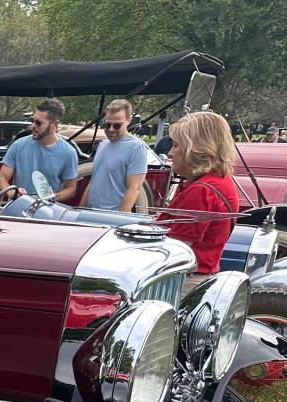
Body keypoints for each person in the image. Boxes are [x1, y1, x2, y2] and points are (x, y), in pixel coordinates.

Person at [159, 110, 239, 288]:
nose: (171, 152)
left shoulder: (202, 191)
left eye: (177, 146)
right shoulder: (219, 181)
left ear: (196, 149)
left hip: (183, 282)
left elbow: (176, 251)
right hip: (200, 276)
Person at [0, 98, 78, 201]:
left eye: (38, 123)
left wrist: (52, 198)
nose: (33, 126)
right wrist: (12, 192)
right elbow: (1, 180)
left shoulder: (69, 153)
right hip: (18, 208)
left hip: (47, 212)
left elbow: (70, 189)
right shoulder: (18, 145)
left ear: (54, 125)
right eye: (32, 121)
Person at [80, 99, 147, 211]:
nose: (111, 129)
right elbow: (94, 181)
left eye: (117, 125)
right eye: (107, 125)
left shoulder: (136, 147)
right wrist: (81, 208)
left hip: (112, 218)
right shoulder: (102, 145)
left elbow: (134, 189)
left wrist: (118, 219)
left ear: (128, 120)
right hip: (91, 214)